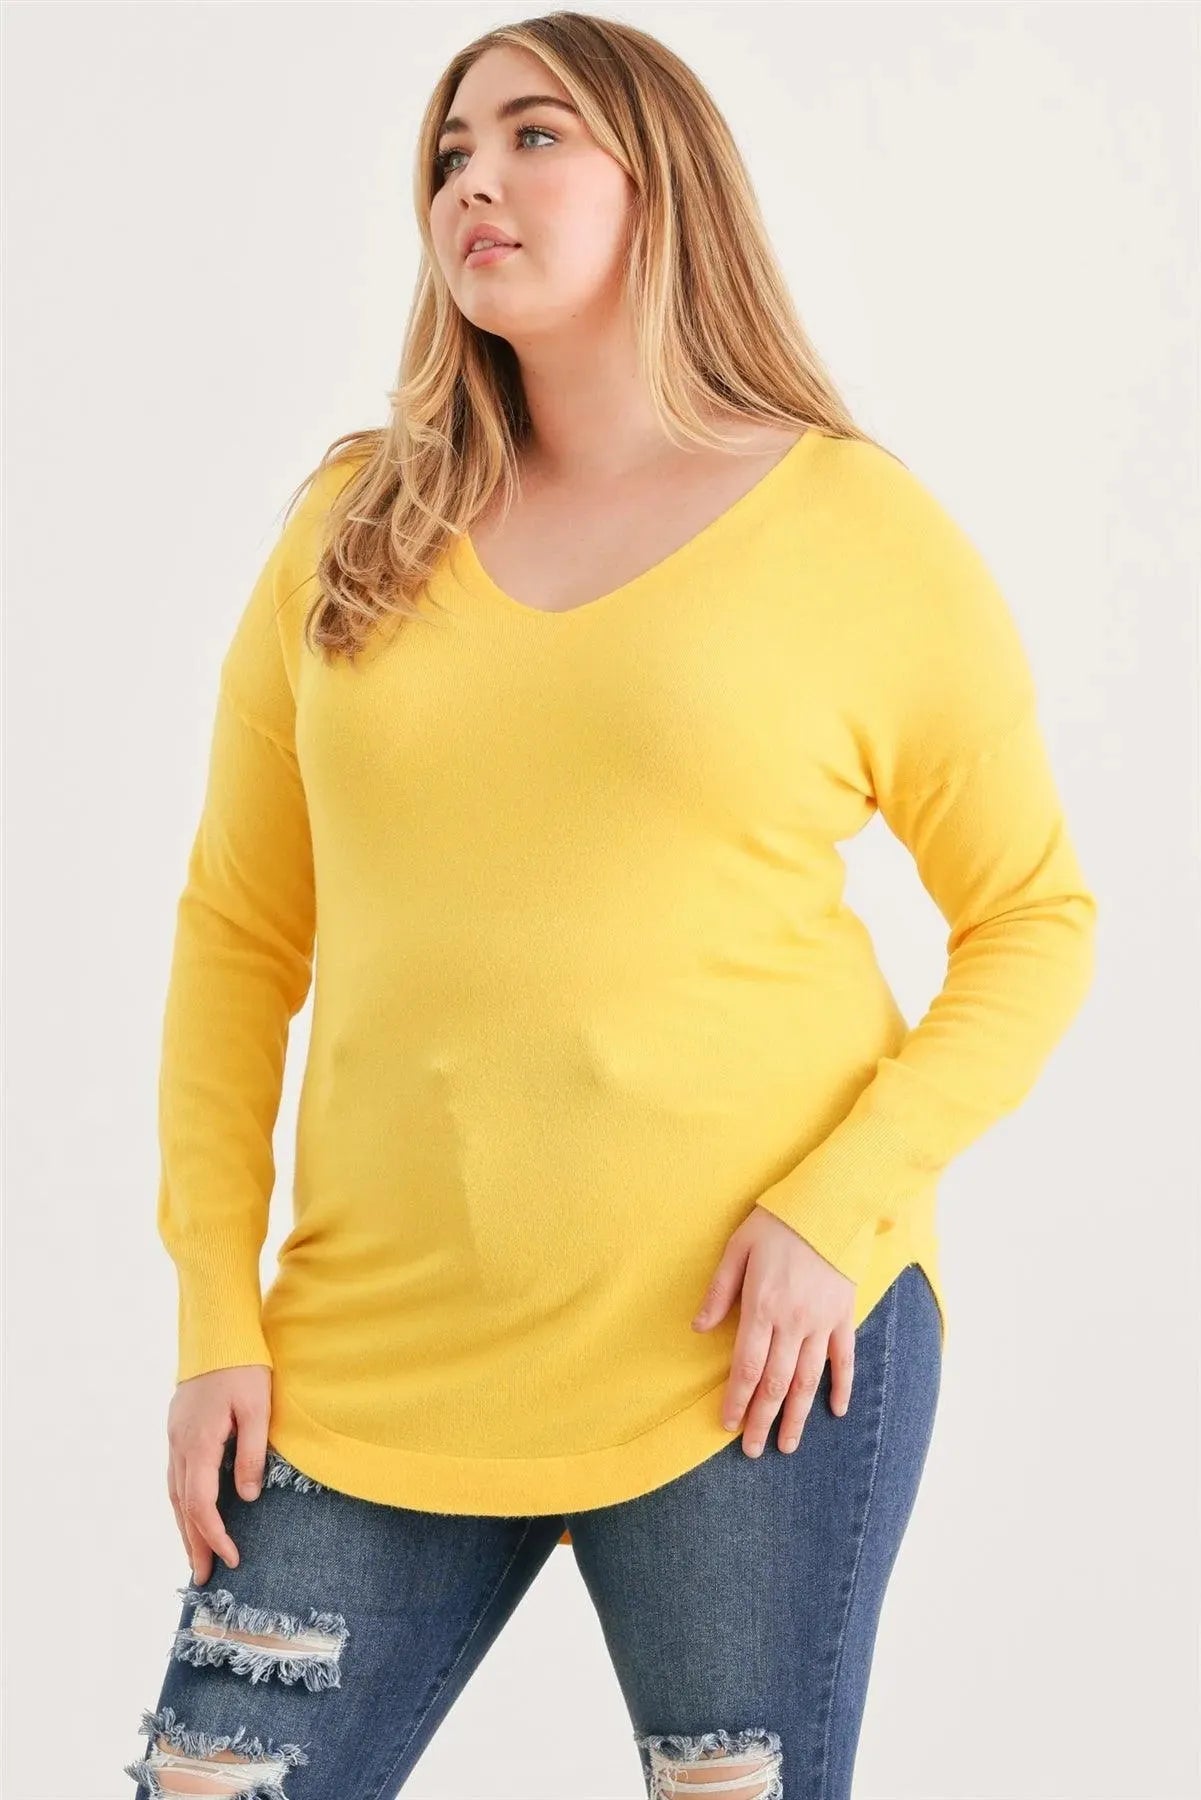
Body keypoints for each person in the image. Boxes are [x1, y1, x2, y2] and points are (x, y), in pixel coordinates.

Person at [125, 12, 1097, 1799]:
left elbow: (1034, 917)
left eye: (533, 135)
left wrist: (834, 1213)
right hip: (370, 1356)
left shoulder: (850, 527)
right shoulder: (351, 525)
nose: (471, 180)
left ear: (664, 184)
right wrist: (212, 1316)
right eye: (448, 152)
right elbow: (238, 936)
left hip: (746, 1355)